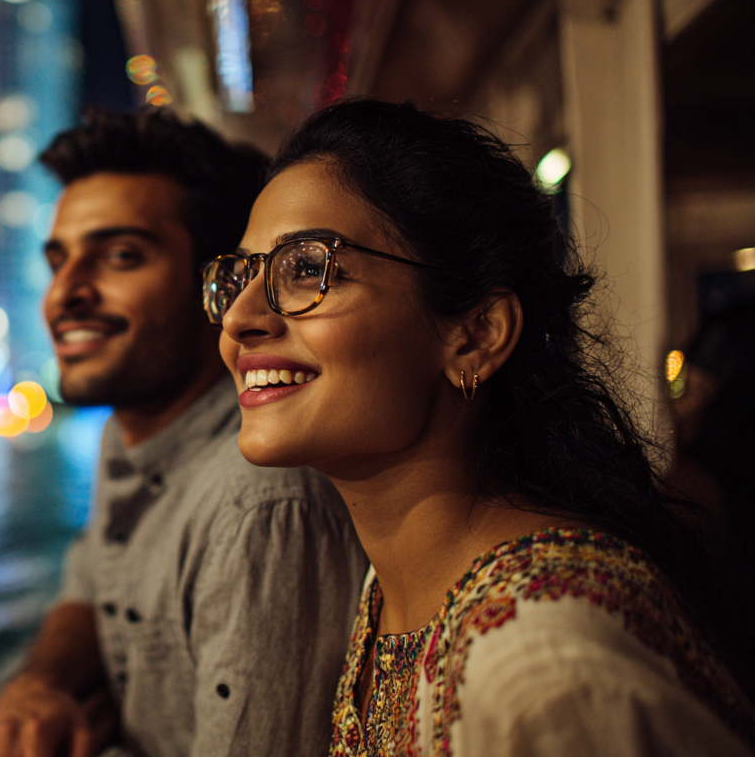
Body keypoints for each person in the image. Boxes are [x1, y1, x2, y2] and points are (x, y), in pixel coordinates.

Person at [207, 98, 755, 756]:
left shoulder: (547, 670)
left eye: (306, 269)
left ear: (475, 336)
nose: (239, 318)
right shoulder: (394, 585)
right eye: (239, 276)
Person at [0, 108, 366, 757]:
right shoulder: (129, 436)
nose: (66, 293)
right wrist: (38, 687)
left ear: (219, 288)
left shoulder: (260, 505)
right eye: (59, 260)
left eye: (121, 256)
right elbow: (88, 584)